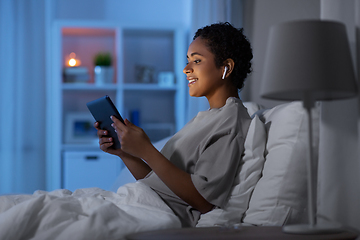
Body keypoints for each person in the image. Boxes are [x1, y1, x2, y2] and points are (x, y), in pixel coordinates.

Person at [94, 22, 253, 227]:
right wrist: (125, 153)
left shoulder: (231, 122)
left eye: (197, 60)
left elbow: (204, 201)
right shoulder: (207, 118)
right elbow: (158, 185)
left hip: (158, 217)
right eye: (188, 61)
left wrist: (147, 150)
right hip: (143, 204)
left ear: (226, 67)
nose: (186, 69)